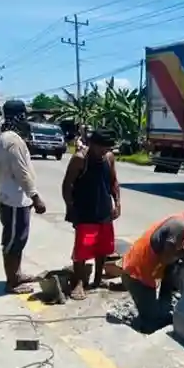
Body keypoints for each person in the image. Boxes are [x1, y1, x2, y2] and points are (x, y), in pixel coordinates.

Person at [121, 207, 184, 333]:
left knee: (173, 266)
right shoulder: (180, 227)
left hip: (135, 268)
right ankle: (150, 321)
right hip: (136, 275)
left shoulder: (178, 218)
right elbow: (166, 257)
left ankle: (163, 306)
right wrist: (182, 255)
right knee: (151, 322)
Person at [0, 99, 47, 294]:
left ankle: (16, 274)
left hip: (10, 196)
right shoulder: (13, 141)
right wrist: (35, 196)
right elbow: (21, 172)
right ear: (19, 116)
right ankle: (12, 282)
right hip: (15, 199)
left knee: (18, 240)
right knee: (13, 242)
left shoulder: (4, 137)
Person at [62, 129, 121, 300]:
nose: (104, 151)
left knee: (103, 248)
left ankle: (97, 279)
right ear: (92, 144)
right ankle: (79, 282)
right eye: (102, 147)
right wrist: (71, 208)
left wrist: (117, 203)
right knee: (83, 249)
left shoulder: (109, 158)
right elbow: (67, 185)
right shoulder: (80, 159)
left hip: (104, 211)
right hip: (86, 213)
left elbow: (113, 182)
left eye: (107, 148)